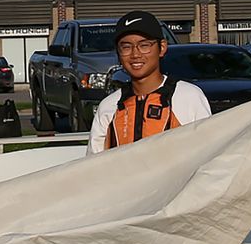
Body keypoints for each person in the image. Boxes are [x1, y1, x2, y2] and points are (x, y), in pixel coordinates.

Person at [87, 10, 211, 154]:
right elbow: (92, 166)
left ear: (162, 48)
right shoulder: (109, 106)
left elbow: (208, 154)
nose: (135, 54)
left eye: (144, 45)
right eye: (126, 47)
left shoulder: (188, 97)